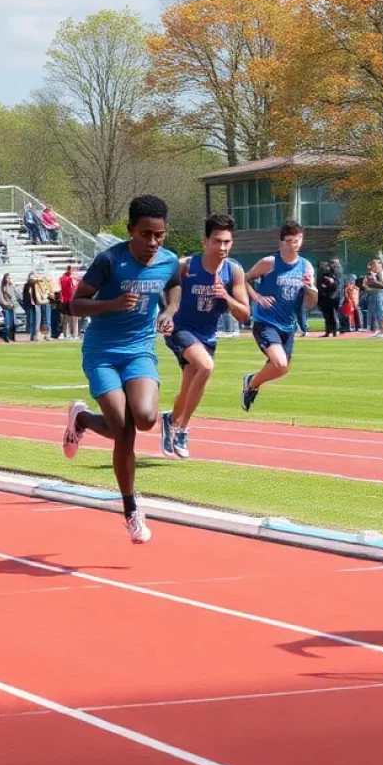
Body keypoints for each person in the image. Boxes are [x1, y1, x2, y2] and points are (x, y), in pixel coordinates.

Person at [61, 195, 181, 544]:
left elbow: (174, 287)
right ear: (130, 230)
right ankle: (131, 510)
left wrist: (169, 312)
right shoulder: (110, 261)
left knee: (145, 419)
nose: (153, 242)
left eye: (159, 235)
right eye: (145, 234)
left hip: (140, 350)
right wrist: (112, 304)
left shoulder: (169, 260)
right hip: (102, 352)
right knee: (123, 432)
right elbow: (75, 304)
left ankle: (82, 419)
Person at [159, 213, 250, 459]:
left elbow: (244, 314)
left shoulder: (234, 272)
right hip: (181, 329)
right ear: (205, 241)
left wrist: (226, 297)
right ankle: (183, 430)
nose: (222, 247)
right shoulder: (186, 266)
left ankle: (171, 420)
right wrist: (166, 315)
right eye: (217, 241)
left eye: (227, 242)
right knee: (206, 366)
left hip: (207, 335)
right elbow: (163, 290)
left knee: (189, 386)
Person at [240, 220, 317, 413]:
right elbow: (243, 279)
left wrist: (310, 288)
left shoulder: (306, 267)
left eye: (297, 241)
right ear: (281, 242)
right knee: (280, 362)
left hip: (288, 325)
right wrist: (257, 297)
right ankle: (251, 384)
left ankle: (252, 383)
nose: (293, 245)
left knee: (283, 368)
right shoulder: (270, 263)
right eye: (289, 241)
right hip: (266, 322)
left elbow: (310, 304)